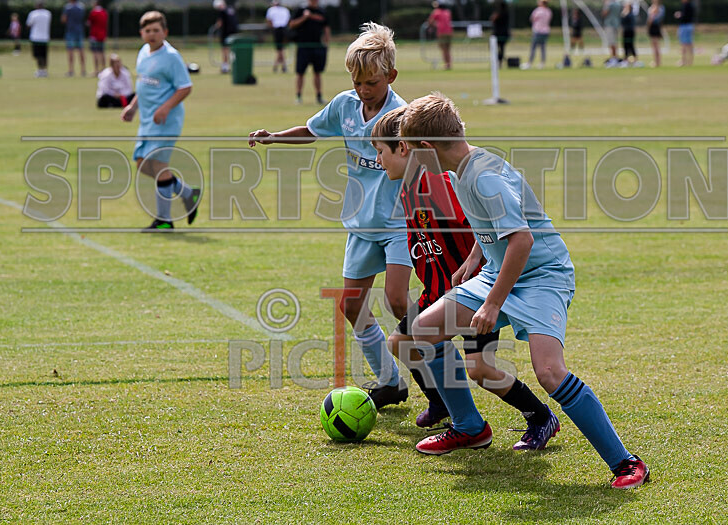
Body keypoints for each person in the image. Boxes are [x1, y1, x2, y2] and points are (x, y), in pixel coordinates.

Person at [401, 92, 650, 489]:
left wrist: (492, 304)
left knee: (549, 371)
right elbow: (493, 226)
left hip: (542, 275)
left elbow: (522, 239)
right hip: (499, 271)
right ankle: (469, 427)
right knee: (425, 329)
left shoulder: (483, 177)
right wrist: (474, 258)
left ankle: (626, 462)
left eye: (413, 151)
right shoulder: (462, 168)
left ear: (428, 147)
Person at [370, 106, 561, 451]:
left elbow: (488, 224)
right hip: (440, 291)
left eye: (380, 151)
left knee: (480, 369)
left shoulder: (439, 184)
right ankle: (449, 408)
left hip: (473, 289)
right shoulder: (409, 188)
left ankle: (539, 416)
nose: (377, 160)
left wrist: (476, 271)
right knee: (403, 341)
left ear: (404, 148)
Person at [249, 23, 411, 410]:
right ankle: (390, 382)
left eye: (371, 82)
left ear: (391, 76)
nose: (363, 89)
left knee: (398, 301)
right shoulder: (344, 105)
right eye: (357, 82)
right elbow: (312, 129)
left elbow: (428, 159)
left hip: (398, 224)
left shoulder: (403, 115)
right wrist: (275, 137)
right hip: (361, 223)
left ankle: (440, 386)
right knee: (351, 307)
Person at [120, 11, 201, 231]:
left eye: (156, 30)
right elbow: (144, 85)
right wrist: (132, 107)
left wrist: (165, 107)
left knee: (158, 165)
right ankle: (188, 194)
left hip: (166, 120)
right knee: (142, 164)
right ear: (141, 33)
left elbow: (185, 87)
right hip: (148, 120)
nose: (152, 34)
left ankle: (164, 221)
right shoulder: (143, 52)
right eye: (148, 30)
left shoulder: (172, 56)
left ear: (165, 32)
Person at [289, 0, 329, 104]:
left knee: (317, 73)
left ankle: (319, 96)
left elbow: (326, 27)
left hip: (317, 46)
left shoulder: (322, 11)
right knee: (300, 73)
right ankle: (298, 96)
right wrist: (304, 17)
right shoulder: (301, 10)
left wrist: (326, 42)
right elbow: (292, 24)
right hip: (303, 46)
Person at [26, 2, 51, 78]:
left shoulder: (33, 14)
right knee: (44, 55)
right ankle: (44, 70)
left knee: (38, 55)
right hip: (45, 37)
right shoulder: (48, 13)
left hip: (35, 37)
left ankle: (40, 70)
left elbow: (28, 24)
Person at [62, 0, 87, 77]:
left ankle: (71, 70)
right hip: (79, 31)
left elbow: (64, 19)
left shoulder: (67, 7)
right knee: (81, 50)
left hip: (70, 31)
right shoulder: (81, 7)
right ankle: (83, 70)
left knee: (70, 51)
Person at [524, 0, 552, 69]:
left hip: (538, 31)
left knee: (533, 47)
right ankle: (542, 63)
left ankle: (529, 63)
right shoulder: (548, 11)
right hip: (546, 31)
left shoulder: (538, 10)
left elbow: (532, 19)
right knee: (543, 47)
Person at [266, 0, 290, 73]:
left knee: (280, 49)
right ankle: (282, 66)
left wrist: (272, 28)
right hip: (284, 30)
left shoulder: (271, 10)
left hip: (277, 30)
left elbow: (269, 20)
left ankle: (278, 66)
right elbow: (288, 20)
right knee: (281, 49)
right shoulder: (285, 10)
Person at [427, 1, 453, 70]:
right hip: (449, 32)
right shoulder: (448, 12)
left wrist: (433, 27)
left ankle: (447, 64)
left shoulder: (437, 12)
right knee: (448, 49)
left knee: (444, 50)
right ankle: (449, 64)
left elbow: (430, 21)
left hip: (441, 32)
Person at [214, 0, 238, 74]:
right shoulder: (231, 9)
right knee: (233, 50)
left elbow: (220, 23)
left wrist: (216, 27)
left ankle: (225, 67)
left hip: (225, 33)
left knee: (225, 50)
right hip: (234, 33)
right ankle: (235, 66)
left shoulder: (222, 11)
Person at [87, 0, 108, 76]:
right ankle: (104, 69)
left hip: (94, 35)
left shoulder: (93, 12)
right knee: (102, 52)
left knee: (95, 53)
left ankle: (96, 70)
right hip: (102, 35)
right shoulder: (104, 12)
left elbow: (89, 23)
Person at [674, 0, 694, 66]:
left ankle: (683, 61)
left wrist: (679, 15)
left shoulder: (686, 5)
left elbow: (684, 17)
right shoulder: (690, 5)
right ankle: (690, 61)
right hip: (690, 26)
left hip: (685, 26)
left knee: (684, 44)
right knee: (689, 44)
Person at [490, 1, 510, 67]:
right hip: (504, 33)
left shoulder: (499, 14)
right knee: (501, 48)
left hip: (498, 33)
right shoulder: (506, 13)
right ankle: (499, 61)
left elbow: (492, 19)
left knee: (495, 48)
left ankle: (498, 60)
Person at [647, 0, 664, 67]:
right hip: (653, 27)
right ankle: (656, 61)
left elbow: (652, 18)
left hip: (655, 27)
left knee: (656, 45)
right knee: (654, 45)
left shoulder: (659, 8)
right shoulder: (652, 7)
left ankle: (657, 62)